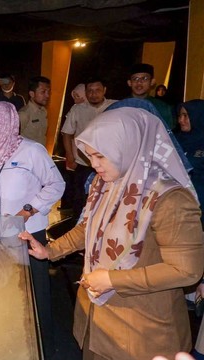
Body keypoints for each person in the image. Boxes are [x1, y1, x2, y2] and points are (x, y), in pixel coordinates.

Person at [20, 107, 204, 360]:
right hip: (96, 320)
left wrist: (112, 280)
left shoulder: (170, 198)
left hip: (141, 331)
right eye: (90, 156)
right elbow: (90, 228)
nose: (93, 165)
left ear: (128, 148)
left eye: (100, 156)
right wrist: (50, 250)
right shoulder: (105, 182)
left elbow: (186, 270)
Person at [0, 101, 64, 358]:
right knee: (0, 292)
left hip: (26, 235)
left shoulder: (31, 151)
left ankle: (40, 350)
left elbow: (56, 185)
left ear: (6, 122)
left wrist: (26, 212)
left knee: (33, 296)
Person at [61, 77, 117, 222]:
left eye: (97, 90)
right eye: (90, 91)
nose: (93, 94)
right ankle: (78, 231)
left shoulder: (116, 107)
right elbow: (67, 133)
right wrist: (70, 156)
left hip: (110, 165)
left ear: (104, 90)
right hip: (84, 163)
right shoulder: (77, 109)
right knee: (80, 199)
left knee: (108, 199)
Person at [175, 99, 204, 226]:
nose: (181, 120)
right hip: (177, 202)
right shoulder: (175, 139)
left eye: (186, 116)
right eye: (180, 116)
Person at [127, 63, 175, 129]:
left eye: (144, 78)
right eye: (135, 79)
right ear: (129, 83)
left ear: (152, 82)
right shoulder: (121, 106)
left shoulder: (163, 108)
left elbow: (167, 135)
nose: (139, 82)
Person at [19, 76, 51, 147]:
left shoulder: (43, 112)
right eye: (43, 92)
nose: (47, 95)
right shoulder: (24, 114)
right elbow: (13, 138)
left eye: (48, 92)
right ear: (32, 94)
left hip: (39, 154)